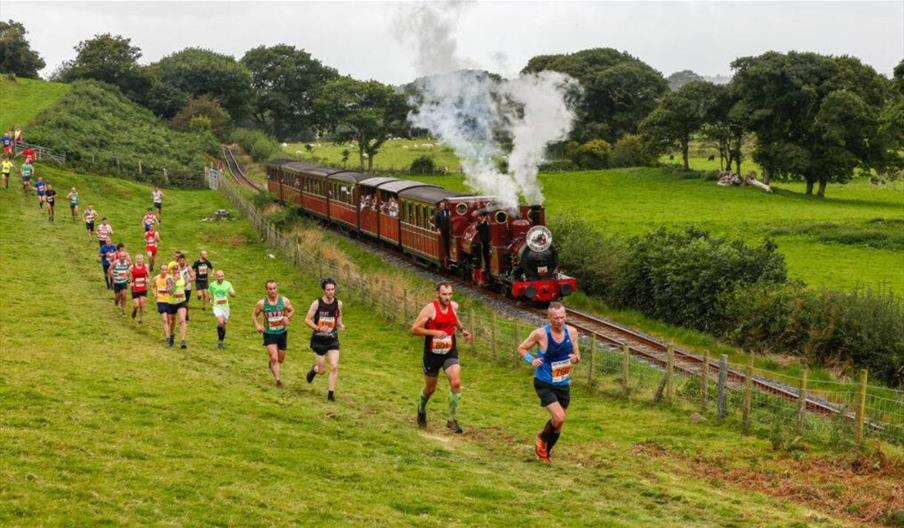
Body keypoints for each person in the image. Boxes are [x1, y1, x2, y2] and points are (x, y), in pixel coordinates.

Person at [516, 302, 581, 465]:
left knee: (558, 424)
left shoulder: (572, 332)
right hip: (544, 382)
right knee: (559, 418)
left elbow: (577, 355)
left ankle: (545, 451)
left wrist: (575, 358)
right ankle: (542, 441)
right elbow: (522, 348)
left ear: (566, 316)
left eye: (562, 317)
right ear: (549, 319)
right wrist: (532, 359)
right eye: (556, 318)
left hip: (563, 383)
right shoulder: (540, 334)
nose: (560, 321)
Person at [410, 281, 472, 433]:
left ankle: (451, 420)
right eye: (444, 294)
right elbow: (414, 329)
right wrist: (434, 333)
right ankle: (421, 409)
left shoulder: (454, 306)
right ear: (437, 294)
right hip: (432, 354)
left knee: (456, 383)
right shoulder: (430, 309)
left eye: (450, 294)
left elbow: (454, 317)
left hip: (450, 351)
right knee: (430, 389)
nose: (447, 297)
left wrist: (462, 329)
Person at [304, 278, 346, 401]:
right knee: (322, 370)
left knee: (334, 366)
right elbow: (307, 320)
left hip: (332, 339)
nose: (330, 292)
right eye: (328, 290)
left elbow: (338, 319)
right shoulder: (317, 303)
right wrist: (318, 328)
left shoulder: (339, 304)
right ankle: (314, 370)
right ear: (324, 290)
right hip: (319, 340)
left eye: (332, 289)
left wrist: (341, 325)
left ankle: (330, 395)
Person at [253, 280, 295, 388]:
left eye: (274, 288)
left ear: (277, 288)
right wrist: (257, 325)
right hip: (269, 333)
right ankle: (278, 381)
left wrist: (287, 317)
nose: (272, 291)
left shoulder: (284, 301)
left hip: (282, 333)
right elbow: (254, 315)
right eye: (270, 289)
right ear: (266, 290)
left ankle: (271, 363)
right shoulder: (261, 303)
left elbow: (292, 310)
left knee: (280, 359)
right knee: (275, 358)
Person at [209, 270, 236, 349]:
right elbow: (210, 293)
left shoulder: (228, 284)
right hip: (217, 306)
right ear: (216, 277)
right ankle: (220, 341)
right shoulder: (212, 285)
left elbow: (233, 293)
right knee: (221, 322)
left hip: (225, 307)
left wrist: (232, 293)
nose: (220, 278)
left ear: (224, 276)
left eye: (222, 276)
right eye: (219, 276)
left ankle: (221, 341)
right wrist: (210, 299)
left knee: (223, 324)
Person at [166, 260, 188, 348]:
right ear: (171, 270)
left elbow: (185, 284)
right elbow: (170, 292)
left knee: (183, 320)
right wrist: (174, 282)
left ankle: (183, 341)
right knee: (172, 322)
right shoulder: (169, 279)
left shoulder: (181, 276)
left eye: (177, 268)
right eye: (175, 269)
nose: (177, 270)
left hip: (182, 301)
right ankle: (171, 335)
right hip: (172, 303)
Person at [154, 263, 173, 345]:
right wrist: (155, 294)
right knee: (165, 320)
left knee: (170, 321)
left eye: (166, 270)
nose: (164, 271)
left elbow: (173, 290)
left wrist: (169, 289)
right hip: (160, 300)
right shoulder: (156, 278)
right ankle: (167, 337)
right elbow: (153, 287)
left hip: (169, 300)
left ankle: (170, 334)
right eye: (163, 270)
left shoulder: (170, 278)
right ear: (160, 270)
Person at [110, 251, 132, 316]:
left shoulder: (127, 263)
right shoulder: (115, 263)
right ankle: (116, 300)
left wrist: (129, 277)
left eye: (124, 256)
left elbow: (130, 271)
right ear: (119, 257)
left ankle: (123, 310)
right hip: (117, 282)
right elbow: (109, 270)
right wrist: (113, 279)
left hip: (123, 282)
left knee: (124, 296)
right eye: (121, 256)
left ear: (125, 257)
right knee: (118, 296)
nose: (122, 258)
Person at [129, 254, 149, 323]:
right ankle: (134, 310)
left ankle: (141, 319)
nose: (139, 260)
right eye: (138, 259)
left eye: (140, 259)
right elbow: (126, 275)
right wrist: (129, 282)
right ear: (136, 259)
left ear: (143, 259)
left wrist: (147, 280)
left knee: (142, 305)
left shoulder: (146, 266)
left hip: (143, 288)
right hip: (135, 288)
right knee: (137, 305)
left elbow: (148, 276)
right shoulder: (132, 267)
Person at [176, 253, 194, 320]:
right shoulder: (176, 267)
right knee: (180, 302)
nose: (181, 262)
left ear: (185, 260)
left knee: (185, 302)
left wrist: (188, 281)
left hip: (187, 288)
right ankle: (182, 315)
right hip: (179, 288)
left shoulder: (188, 268)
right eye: (180, 261)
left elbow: (194, 277)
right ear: (178, 261)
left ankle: (186, 314)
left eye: (183, 260)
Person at [475, 211, 491, 283]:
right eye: (484, 217)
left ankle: (488, 267)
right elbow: (477, 228)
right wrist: (483, 222)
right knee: (485, 255)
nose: (486, 218)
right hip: (484, 243)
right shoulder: (480, 224)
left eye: (486, 217)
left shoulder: (490, 224)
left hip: (490, 242)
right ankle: (486, 267)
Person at [434, 202, 451, 267]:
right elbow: (437, 222)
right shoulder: (438, 213)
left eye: (444, 205)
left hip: (448, 230)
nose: (443, 206)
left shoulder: (447, 212)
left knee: (448, 242)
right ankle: (446, 254)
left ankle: (449, 254)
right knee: (445, 242)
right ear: (440, 206)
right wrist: (438, 229)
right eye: (442, 205)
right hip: (443, 230)